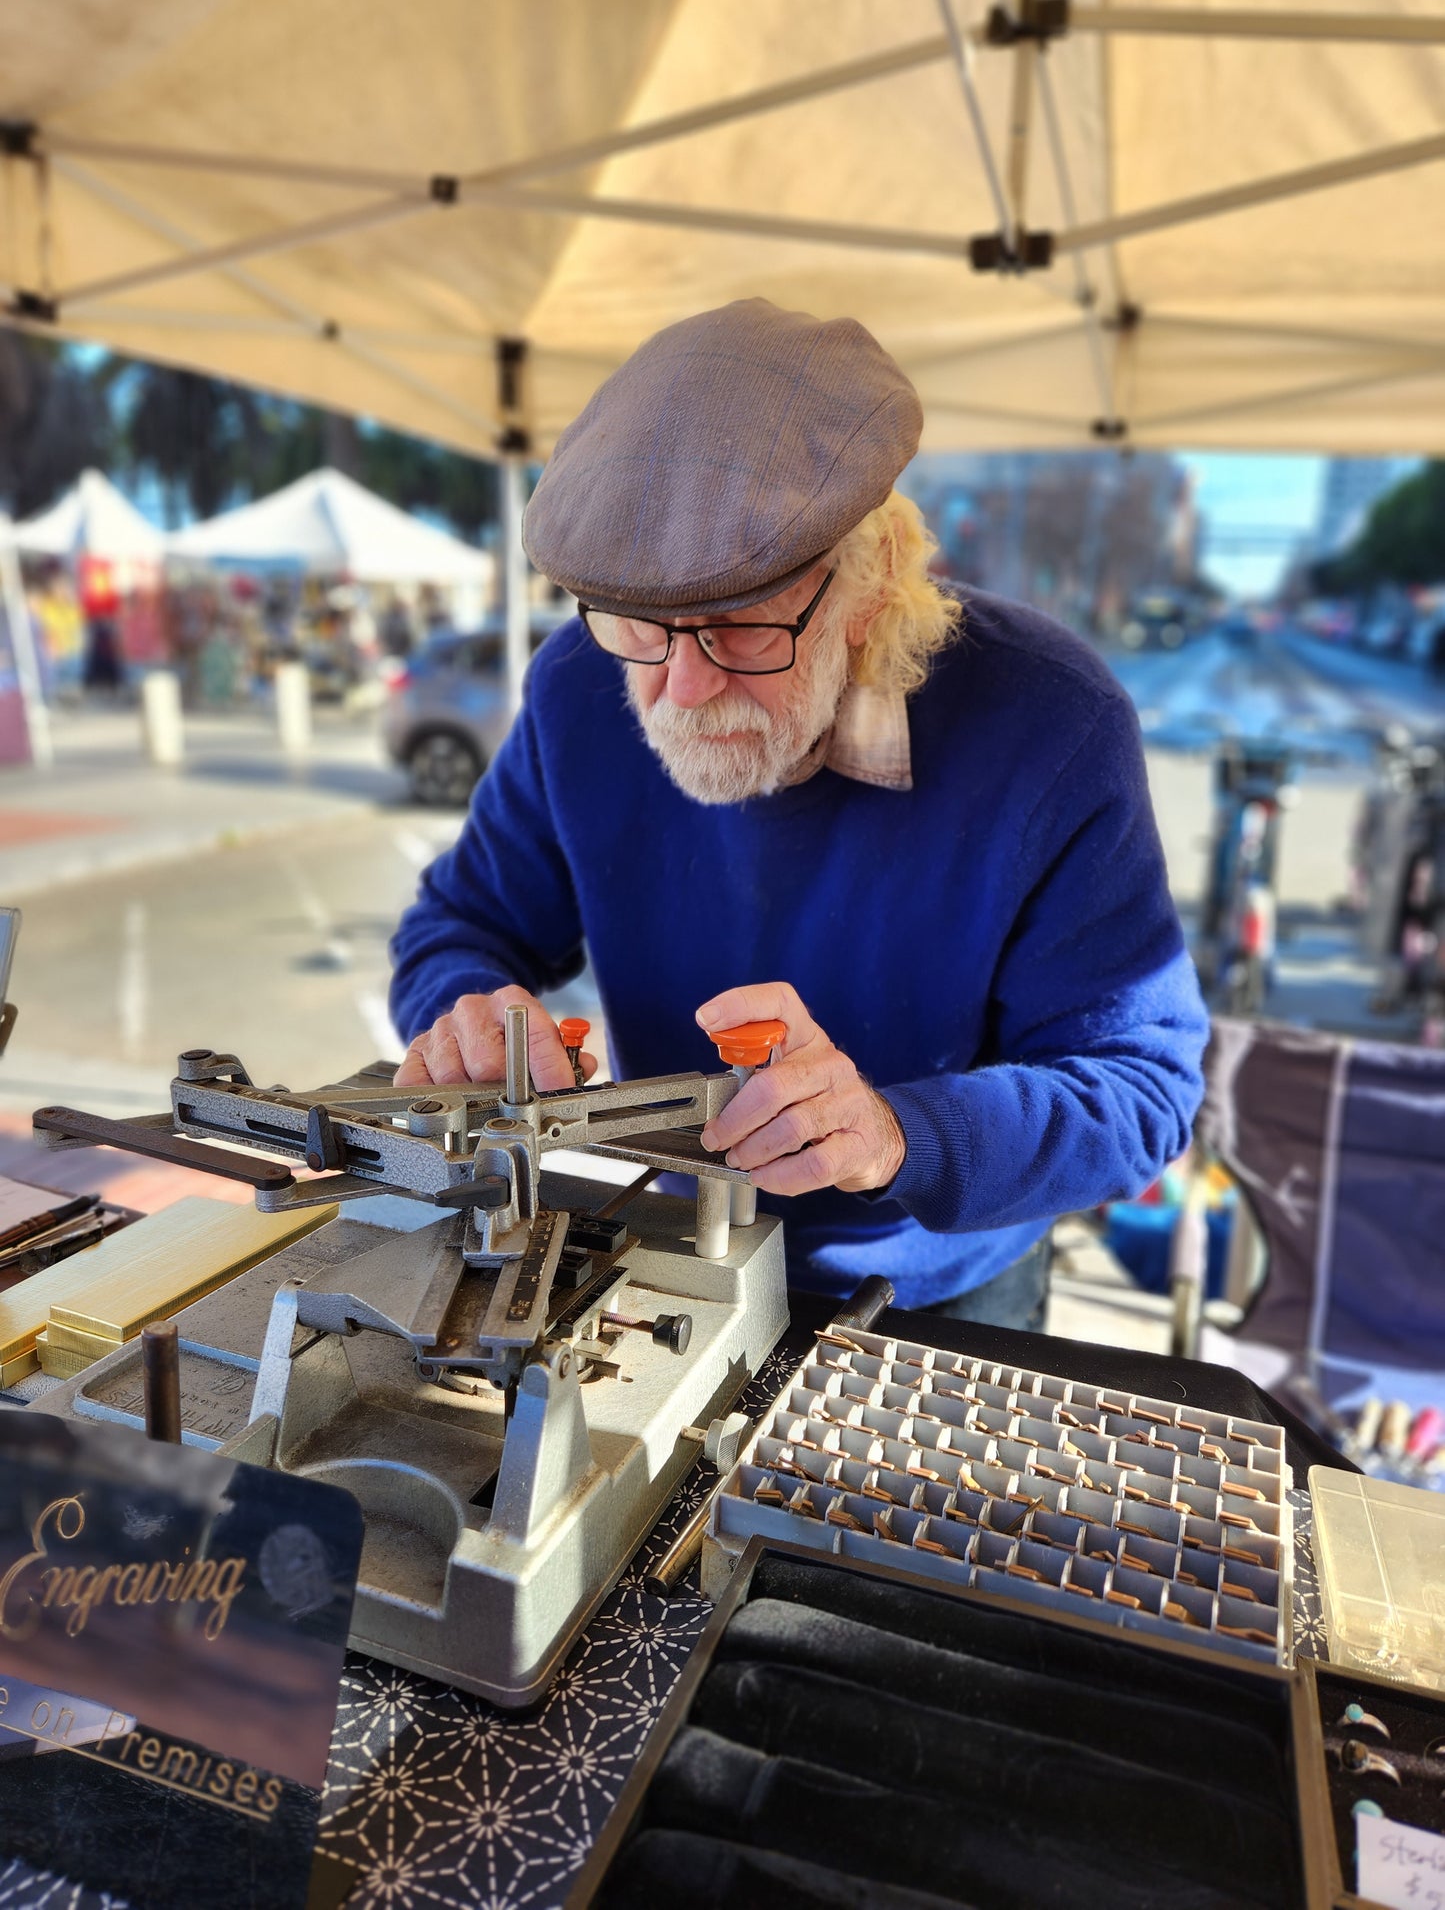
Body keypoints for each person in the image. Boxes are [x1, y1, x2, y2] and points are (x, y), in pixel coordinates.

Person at [388, 299, 1208, 1330]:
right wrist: (464, 1015)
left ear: (869, 585)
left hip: (941, 1277)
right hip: (675, 1246)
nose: (681, 690)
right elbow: (452, 931)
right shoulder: (575, 686)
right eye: (640, 627)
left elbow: (1141, 1088)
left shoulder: (1050, 724)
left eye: (737, 627)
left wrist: (896, 1133)